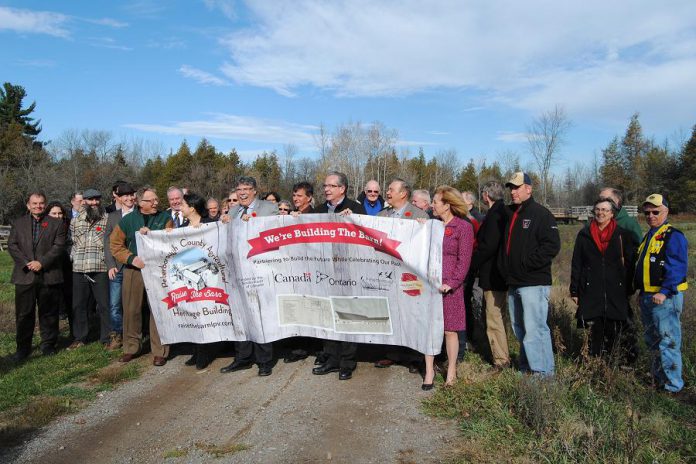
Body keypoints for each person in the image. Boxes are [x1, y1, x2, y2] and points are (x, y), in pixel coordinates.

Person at [501, 172, 561, 376]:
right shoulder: (512, 213)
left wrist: (526, 264)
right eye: (511, 188)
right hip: (514, 281)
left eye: (517, 187)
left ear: (529, 188)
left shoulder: (541, 214)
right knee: (520, 328)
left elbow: (551, 246)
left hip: (533, 282)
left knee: (535, 328)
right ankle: (526, 367)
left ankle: (543, 372)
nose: (513, 192)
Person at [220, 176, 277, 377]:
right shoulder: (233, 210)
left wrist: (254, 223)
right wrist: (224, 223)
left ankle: (264, 361)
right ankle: (243, 358)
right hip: (237, 271)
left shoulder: (269, 208)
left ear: (254, 190)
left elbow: (276, 231)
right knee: (240, 314)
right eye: (239, 189)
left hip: (259, 270)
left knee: (260, 315)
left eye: (246, 188)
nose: (242, 192)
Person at [110, 186, 173, 366]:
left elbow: (171, 243)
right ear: (140, 202)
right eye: (151, 200)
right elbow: (115, 245)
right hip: (134, 270)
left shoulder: (165, 219)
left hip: (158, 270)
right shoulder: (128, 220)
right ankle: (131, 347)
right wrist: (130, 258)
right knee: (131, 309)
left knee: (159, 310)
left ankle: (160, 350)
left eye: (156, 200)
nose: (155, 203)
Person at [312, 171, 366, 380]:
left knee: (347, 315)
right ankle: (332, 359)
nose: (326, 189)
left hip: (349, 272)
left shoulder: (356, 208)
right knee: (328, 315)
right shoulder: (318, 210)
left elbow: (368, 236)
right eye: (325, 186)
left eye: (331, 186)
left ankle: (347, 362)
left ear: (342, 189)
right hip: (324, 271)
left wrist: (354, 220)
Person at [570, 198, 636, 358]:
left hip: (616, 291)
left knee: (616, 331)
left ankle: (616, 365)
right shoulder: (584, 235)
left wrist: (629, 288)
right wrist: (574, 290)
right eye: (598, 209)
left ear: (612, 214)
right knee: (594, 333)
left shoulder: (623, 235)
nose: (601, 213)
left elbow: (630, 264)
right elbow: (577, 262)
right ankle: (595, 364)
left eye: (605, 210)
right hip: (591, 290)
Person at [635, 194, 688, 393]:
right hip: (648, 297)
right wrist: (642, 291)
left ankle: (673, 387)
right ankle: (658, 381)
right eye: (647, 212)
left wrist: (664, 292)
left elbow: (678, 267)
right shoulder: (649, 236)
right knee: (652, 342)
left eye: (655, 211)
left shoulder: (673, 235)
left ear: (666, 211)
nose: (650, 215)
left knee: (668, 341)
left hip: (664, 299)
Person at [374, 178, 429, 371]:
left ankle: (414, 357)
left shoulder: (418, 215)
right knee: (390, 313)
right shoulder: (382, 214)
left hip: (410, 275)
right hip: (387, 274)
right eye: (388, 189)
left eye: (390, 189)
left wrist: (424, 228)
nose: (387, 192)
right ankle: (391, 353)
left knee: (411, 314)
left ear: (403, 193)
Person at [423, 186, 474, 389]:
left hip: (450, 287)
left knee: (450, 331)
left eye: (435, 202)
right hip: (430, 284)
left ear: (447, 205)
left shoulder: (463, 227)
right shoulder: (431, 226)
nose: (432, 205)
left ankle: (451, 371)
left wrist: (452, 283)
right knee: (428, 328)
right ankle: (429, 370)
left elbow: (464, 261)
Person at [8, 192, 66, 362]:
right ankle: (23, 348)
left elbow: (59, 246)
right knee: (24, 314)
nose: (38, 206)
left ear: (45, 204)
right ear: (28, 205)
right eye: (34, 203)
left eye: (41, 203)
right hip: (25, 275)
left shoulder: (56, 224)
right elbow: (12, 245)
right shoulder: (18, 224)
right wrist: (27, 263)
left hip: (48, 274)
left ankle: (48, 344)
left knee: (49, 312)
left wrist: (42, 262)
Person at [469, 181, 511, 369]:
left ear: (486, 195)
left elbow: (488, 246)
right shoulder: (504, 212)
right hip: (498, 272)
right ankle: (501, 354)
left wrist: (472, 262)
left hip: (493, 273)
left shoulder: (495, 215)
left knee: (493, 317)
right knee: (498, 316)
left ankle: (501, 360)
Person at [68, 188, 111, 350]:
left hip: (100, 267)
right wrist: (73, 258)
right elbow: (73, 242)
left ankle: (107, 337)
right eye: (90, 200)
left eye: (97, 199)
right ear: (84, 201)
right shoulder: (76, 221)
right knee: (78, 305)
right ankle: (80, 337)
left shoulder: (107, 219)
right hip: (79, 268)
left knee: (104, 304)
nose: (94, 203)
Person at [180, 192, 219, 370]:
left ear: (192, 208)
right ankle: (196, 350)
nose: (180, 208)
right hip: (189, 274)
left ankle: (205, 351)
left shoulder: (210, 225)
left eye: (182, 205)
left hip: (207, 275)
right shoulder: (181, 226)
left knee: (205, 314)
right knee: (194, 315)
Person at [104, 182, 137, 351]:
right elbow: (107, 242)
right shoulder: (113, 217)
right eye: (126, 195)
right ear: (119, 198)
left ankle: (135, 334)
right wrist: (110, 265)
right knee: (115, 304)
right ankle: (117, 335)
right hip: (117, 267)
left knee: (135, 303)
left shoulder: (140, 215)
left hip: (136, 266)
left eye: (132, 195)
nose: (129, 198)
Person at [45, 201, 72, 323]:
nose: (57, 216)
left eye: (60, 213)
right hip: (49, 263)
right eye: (54, 213)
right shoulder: (43, 227)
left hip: (66, 260)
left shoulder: (68, 225)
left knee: (67, 289)